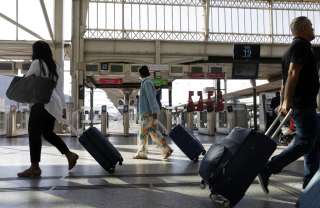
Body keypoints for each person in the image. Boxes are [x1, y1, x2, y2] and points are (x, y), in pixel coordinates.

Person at [258, 16, 320, 193]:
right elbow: (293, 73)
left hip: (303, 105)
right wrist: (286, 101)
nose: (313, 29)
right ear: (302, 29)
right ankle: (268, 168)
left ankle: (310, 188)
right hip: (303, 105)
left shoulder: (289, 51)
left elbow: (285, 80)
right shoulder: (300, 46)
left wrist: (284, 99)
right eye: (310, 26)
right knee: (305, 142)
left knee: (314, 146)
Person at [17, 41, 79, 178]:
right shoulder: (56, 67)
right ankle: (70, 154)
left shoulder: (37, 63)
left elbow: (27, 81)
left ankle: (35, 167)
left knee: (34, 134)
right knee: (47, 133)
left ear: (36, 51)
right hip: (53, 105)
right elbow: (60, 89)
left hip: (40, 103)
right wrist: (61, 108)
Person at [133, 65, 173, 160]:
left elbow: (151, 99)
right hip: (149, 113)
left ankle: (142, 153)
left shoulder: (146, 83)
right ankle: (166, 150)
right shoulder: (148, 82)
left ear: (141, 74)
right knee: (154, 133)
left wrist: (154, 112)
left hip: (147, 114)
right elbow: (152, 96)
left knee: (142, 134)